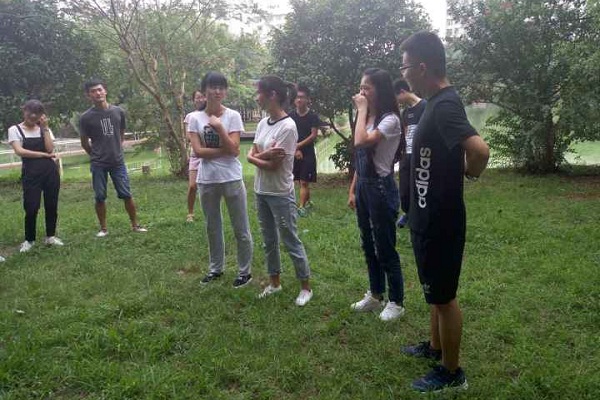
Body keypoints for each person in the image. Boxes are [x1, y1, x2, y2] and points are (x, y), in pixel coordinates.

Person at [399, 31, 490, 393]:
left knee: (445, 297)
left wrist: (469, 172)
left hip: (441, 219)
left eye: (405, 66)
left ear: (421, 68)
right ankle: (435, 347)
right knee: (434, 291)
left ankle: (452, 372)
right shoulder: (434, 103)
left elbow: (480, 150)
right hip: (426, 215)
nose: (403, 73)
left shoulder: (446, 105)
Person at [247, 75, 313, 307]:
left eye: (259, 93)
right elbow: (254, 153)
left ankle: (305, 287)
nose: (257, 97)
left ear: (272, 95)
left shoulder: (288, 127)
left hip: (280, 193)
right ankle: (275, 283)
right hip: (261, 191)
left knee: (290, 239)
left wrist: (254, 158)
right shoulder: (262, 124)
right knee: (268, 240)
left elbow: (273, 166)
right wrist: (260, 155)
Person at [347, 68, 405, 321]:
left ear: (379, 90)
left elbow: (360, 142)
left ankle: (396, 301)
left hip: (380, 189)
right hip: (363, 187)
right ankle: (376, 294)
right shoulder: (368, 117)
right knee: (368, 243)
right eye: (360, 87)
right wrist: (353, 189)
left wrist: (361, 110)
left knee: (385, 246)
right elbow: (360, 159)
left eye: (366, 88)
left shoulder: (390, 120)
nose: (361, 92)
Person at [187, 72, 253, 288]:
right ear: (204, 90)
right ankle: (216, 269)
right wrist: (225, 149)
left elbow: (234, 150)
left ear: (225, 91)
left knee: (241, 227)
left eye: (221, 87)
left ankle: (245, 272)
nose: (217, 91)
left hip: (231, 177)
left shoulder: (233, 116)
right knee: (212, 226)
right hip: (206, 179)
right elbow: (198, 152)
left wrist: (219, 129)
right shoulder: (194, 118)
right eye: (213, 87)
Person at [79, 78, 147, 237]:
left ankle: (135, 225)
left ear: (105, 91)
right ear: (88, 95)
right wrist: (95, 155)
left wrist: (116, 149)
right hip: (98, 163)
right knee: (99, 196)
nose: (97, 93)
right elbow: (84, 142)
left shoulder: (118, 112)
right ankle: (103, 229)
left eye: (99, 89)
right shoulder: (86, 117)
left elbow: (121, 133)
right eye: (93, 91)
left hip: (117, 162)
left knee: (126, 194)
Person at [8, 100, 63, 253]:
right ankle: (29, 239)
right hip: (31, 173)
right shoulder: (15, 129)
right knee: (31, 206)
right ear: (24, 110)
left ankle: (50, 236)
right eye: (30, 112)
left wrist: (45, 128)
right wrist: (43, 155)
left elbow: (50, 149)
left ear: (41, 115)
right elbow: (20, 151)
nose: (33, 116)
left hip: (50, 172)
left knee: (51, 204)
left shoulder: (44, 129)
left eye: (37, 113)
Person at [393, 79, 427, 228]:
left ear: (402, 92)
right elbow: (406, 133)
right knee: (405, 188)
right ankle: (408, 213)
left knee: (420, 186)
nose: (397, 101)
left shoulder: (426, 106)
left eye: (397, 97)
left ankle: (420, 215)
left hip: (421, 154)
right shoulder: (405, 113)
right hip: (406, 155)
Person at [289, 84, 319, 216]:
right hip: (294, 151)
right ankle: (308, 202)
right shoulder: (290, 116)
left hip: (308, 152)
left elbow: (313, 135)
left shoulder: (313, 116)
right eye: (297, 97)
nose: (299, 100)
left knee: (304, 181)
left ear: (308, 99)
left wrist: (298, 146)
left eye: (302, 97)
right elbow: (289, 134)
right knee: (299, 180)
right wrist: (295, 149)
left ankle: (301, 207)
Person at [184, 89, 206, 222]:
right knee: (193, 186)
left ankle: (209, 211)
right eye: (197, 97)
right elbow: (188, 137)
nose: (200, 99)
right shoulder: (190, 116)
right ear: (193, 100)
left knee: (209, 187)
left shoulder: (210, 114)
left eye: (202, 96)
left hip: (209, 154)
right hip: (196, 155)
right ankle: (190, 213)